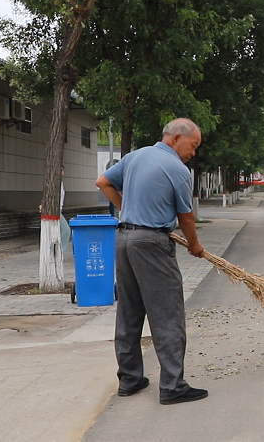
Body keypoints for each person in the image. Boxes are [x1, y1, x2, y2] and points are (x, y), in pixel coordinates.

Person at [96, 118, 209, 404]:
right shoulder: (178, 170)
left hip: (123, 239)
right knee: (167, 314)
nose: (193, 153)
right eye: (192, 145)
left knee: (129, 313)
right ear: (175, 138)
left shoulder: (135, 156)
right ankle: (172, 386)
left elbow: (103, 181)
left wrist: (129, 209)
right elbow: (186, 216)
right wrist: (194, 246)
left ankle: (130, 380)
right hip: (152, 245)